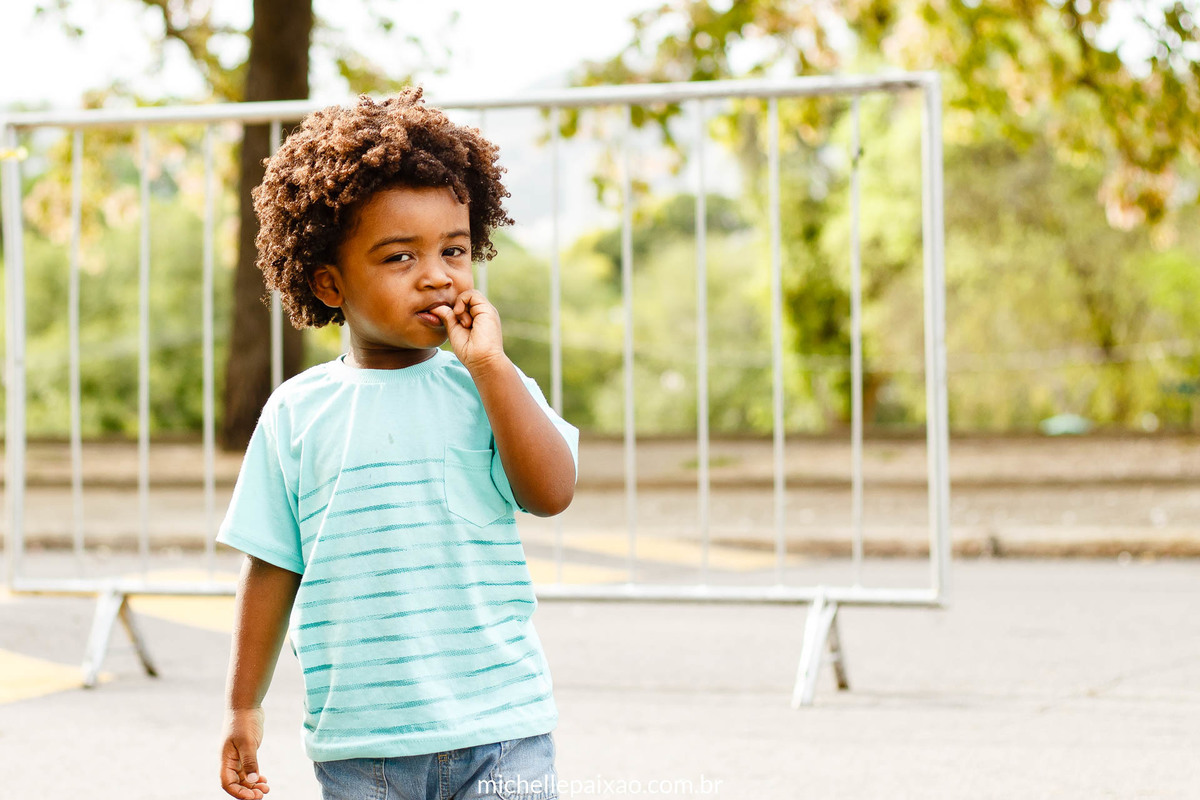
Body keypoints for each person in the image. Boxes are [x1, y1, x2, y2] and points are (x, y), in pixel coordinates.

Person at [217, 89, 577, 800]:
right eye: (398, 257)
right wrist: (242, 703)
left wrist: (492, 370)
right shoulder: (296, 415)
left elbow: (552, 491)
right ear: (330, 282)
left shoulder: (489, 384)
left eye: (453, 250)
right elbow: (269, 571)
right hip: (363, 749)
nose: (438, 275)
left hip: (502, 728)